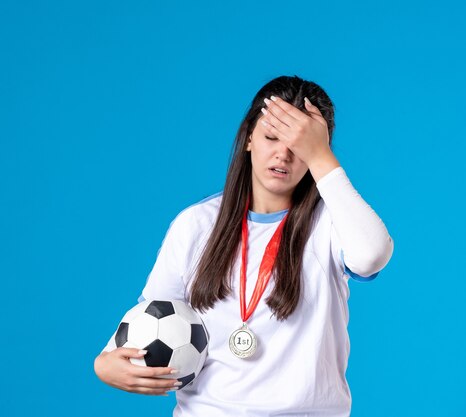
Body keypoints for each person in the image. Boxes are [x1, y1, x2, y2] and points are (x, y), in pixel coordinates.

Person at [94, 75, 394, 416]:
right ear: (249, 137)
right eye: (271, 136)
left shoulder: (330, 224)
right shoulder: (196, 224)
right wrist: (105, 364)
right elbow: (153, 318)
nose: (283, 154)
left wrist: (321, 156)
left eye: (300, 146)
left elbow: (372, 253)